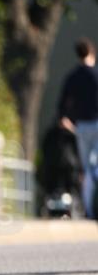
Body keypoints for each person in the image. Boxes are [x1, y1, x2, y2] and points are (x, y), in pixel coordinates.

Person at [57, 37, 98, 219]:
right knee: (94, 166)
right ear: (91, 53)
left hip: (81, 127)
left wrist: (64, 119)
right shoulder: (95, 75)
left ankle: (89, 209)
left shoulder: (73, 77)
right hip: (96, 124)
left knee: (86, 169)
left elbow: (63, 104)